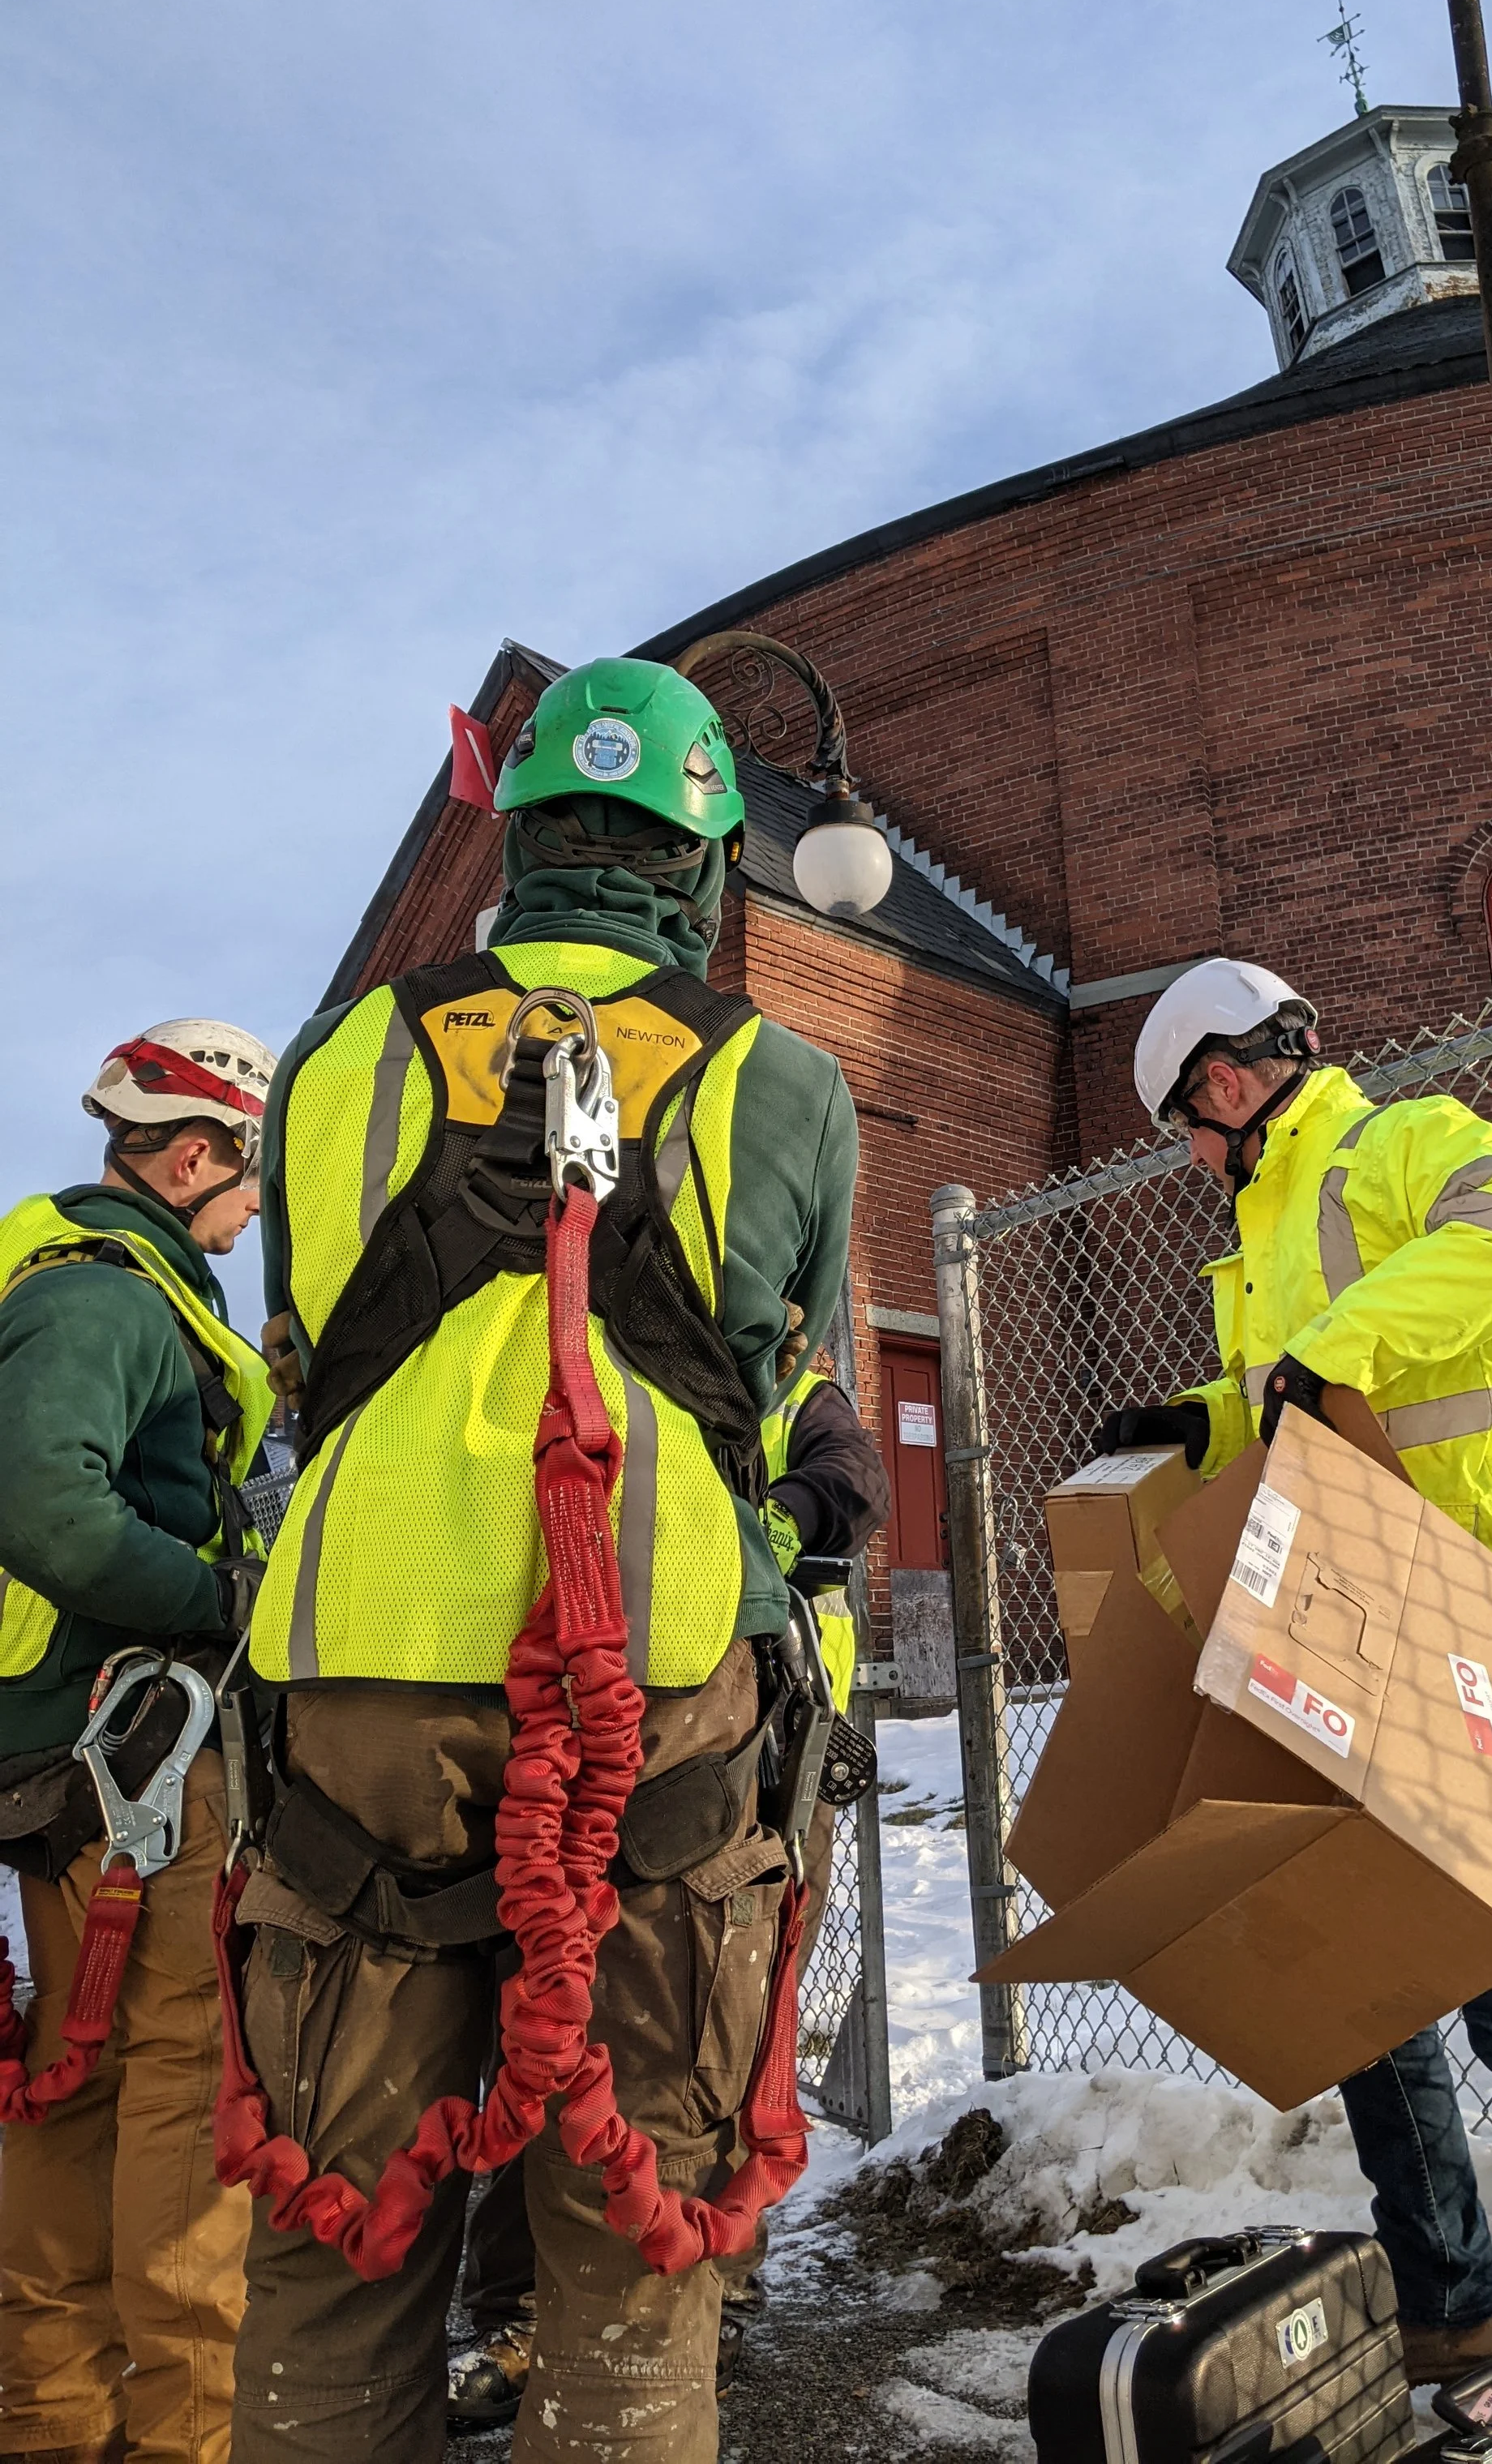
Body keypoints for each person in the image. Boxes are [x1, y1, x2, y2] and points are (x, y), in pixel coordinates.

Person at [229, 656, 859, 2464]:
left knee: (332, 2229)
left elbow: (307, 1346)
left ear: (518, 834)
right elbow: (775, 1367)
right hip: (647, 1682)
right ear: (705, 859)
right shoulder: (780, 1077)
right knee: (633, 2240)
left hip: (354, 1667)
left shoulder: (338, 1055)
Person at [1102, 958, 1492, 2398]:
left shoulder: (1393, 1146)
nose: (1190, 1156)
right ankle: (1448, 2312)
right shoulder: (1258, 1237)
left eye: (1186, 1126)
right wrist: (1203, 1417)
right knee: (1369, 1993)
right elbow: (1286, 1396)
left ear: (1224, 1087)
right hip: (1372, 1632)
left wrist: (1326, 1349)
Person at [446, 1344, 889, 2432]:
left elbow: (852, 1485)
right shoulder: (600, 1380)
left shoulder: (794, 1406)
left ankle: (714, 2292)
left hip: (767, 1764)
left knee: (722, 2038)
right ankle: (520, 2316)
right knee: (546, 2034)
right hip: (592, 1757)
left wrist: (761, 1531)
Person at [0, 1020, 275, 2464]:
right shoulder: (107, 1304)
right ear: (190, 1155)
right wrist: (220, 1595)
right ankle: (187, 2441)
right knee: (182, 2085)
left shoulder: (82, 1287)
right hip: (140, 1771)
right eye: (248, 1176)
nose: (254, 1209)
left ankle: (52, 2430)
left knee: (72, 2082)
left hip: (75, 1767)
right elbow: (48, 1508)